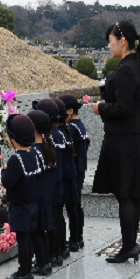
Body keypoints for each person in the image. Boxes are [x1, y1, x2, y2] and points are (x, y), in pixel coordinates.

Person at [90, 20, 140, 264]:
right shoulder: (133, 66)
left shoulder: (128, 69)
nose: (108, 45)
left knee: (126, 195)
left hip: (123, 142)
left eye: (110, 40)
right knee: (130, 194)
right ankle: (130, 244)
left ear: (123, 41)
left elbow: (123, 108)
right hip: (129, 140)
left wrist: (100, 108)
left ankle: (129, 246)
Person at [1, 114, 42, 279]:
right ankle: (29, 267)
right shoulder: (34, 154)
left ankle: (24, 271)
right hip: (33, 203)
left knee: (22, 240)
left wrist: (4, 170)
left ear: (13, 140)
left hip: (20, 207)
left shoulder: (15, 159)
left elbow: (8, 181)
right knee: (30, 237)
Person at [33, 99, 65, 267]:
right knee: (56, 219)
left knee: (51, 222)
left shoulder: (48, 140)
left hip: (51, 186)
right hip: (57, 183)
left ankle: (53, 254)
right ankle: (57, 252)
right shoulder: (55, 136)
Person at [58, 94, 89, 251]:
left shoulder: (71, 128)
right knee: (76, 205)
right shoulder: (80, 125)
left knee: (72, 206)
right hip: (80, 169)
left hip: (73, 171)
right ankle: (78, 238)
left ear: (69, 111)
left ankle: (75, 239)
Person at [27, 110, 57, 276]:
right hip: (46, 197)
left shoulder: (35, 152)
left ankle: (41, 262)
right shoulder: (47, 147)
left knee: (36, 232)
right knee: (43, 231)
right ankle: (45, 261)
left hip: (38, 197)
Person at [51, 98, 79, 261]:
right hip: (67, 177)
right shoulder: (62, 133)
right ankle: (63, 247)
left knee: (59, 215)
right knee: (62, 214)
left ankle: (58, 250)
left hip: (62, 179)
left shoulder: (56, 135)